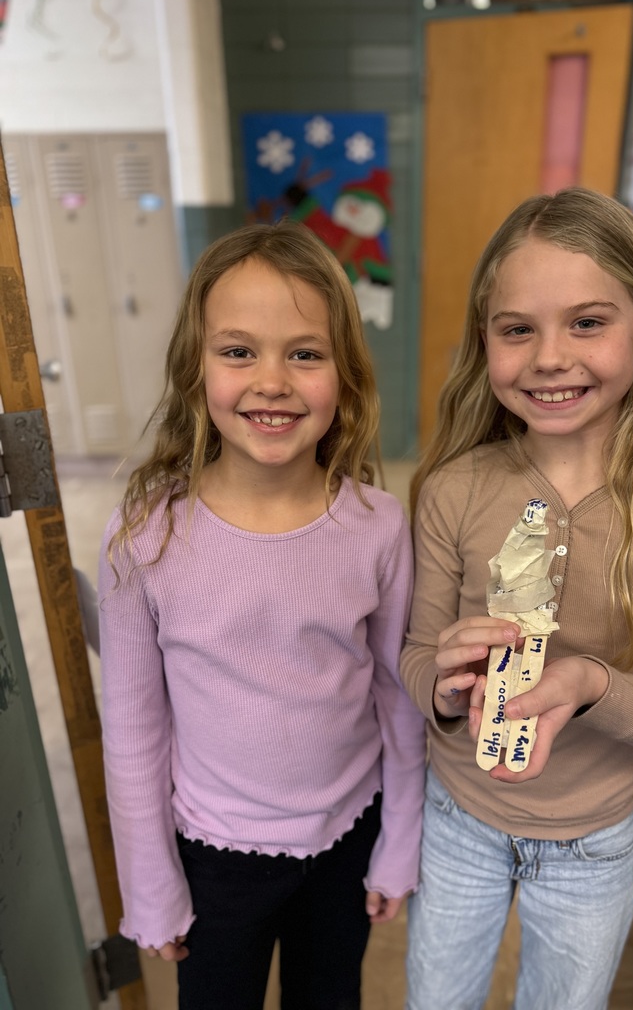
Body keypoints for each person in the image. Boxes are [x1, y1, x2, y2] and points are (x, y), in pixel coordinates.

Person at [400, 187, 633, 1010]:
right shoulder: (454, 489)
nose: (549, 357)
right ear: (484, 339)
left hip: (594, 846)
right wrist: (444, 687)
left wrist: (593, 685)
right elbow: (418, 657)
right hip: (457, 820)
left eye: (588, 323)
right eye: (517, 329)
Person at [98, 220, 425, 1010]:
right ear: (195, 367)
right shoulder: (144, 534)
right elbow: (134, 731)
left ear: (345, 375)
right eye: (239, 351)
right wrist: (150, 885)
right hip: (214, 859)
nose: (272, 381)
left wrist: (399, 841)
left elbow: (398, 696)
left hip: (347, 839)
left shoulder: (379, 527)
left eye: (305, 354)